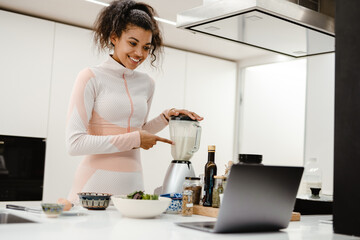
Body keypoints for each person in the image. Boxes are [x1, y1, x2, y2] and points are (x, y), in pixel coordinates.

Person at [64, 0, 203, 204]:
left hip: (133, 187)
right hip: (94, 187)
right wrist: (136, 140)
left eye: (146, 47)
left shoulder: (147, 83)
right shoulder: (90, 77)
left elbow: (137, 130)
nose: (139, 53)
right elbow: (74, 144)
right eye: (132, 43)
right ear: (114, 37)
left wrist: (165, 118)